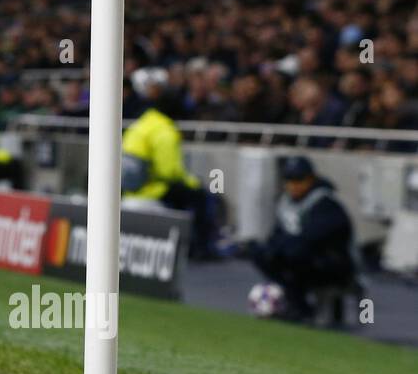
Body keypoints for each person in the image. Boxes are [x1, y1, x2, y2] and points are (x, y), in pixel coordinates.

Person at [244, 156, 358, 324]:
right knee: (260, 252)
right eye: (289, 180)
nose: (293, 185)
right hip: (299, 257)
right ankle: (295, 304)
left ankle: (301, 307)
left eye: (298, 180)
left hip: (334, 264)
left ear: (310, 179)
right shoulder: (286, 203)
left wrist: (284, 246)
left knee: (294, 253)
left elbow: (316, 238)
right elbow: (277, 234)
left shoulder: (325, 203)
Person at [122, 67, 220, 257]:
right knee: (201, 197)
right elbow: (170, 172)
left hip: (129, 190)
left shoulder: (141, 123)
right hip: (152, 190)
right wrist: (194, 182)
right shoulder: (166, 131)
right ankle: (201, 248)